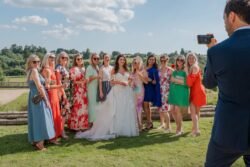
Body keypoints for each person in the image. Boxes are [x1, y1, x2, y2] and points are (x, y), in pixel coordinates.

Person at [203, 0, 250, 166]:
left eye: (224, 19)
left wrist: (211, 50)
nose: (224, 24)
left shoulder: (217, 51)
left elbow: (208, 83)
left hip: (227, 133)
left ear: (232, 16)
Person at [75, 54, 139, 140]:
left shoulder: (127, 70)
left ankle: (124, 129)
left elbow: (129, 80)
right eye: (120, 59)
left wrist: (129, 82)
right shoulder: (114, 70)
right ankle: (116, 129)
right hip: (117, 92)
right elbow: (111, 82)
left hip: (126, 92)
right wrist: (121, 83)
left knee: (125, 110)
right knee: (116, 110)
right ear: (117, 61)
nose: (122, 61)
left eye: (123, 60)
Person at [26, 54, 55, 151]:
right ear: (30, 63)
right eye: (34, 62)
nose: (37, 63)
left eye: (38, 61)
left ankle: (36, 140)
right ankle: (40, 143)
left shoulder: (31, 71)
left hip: (33, 97)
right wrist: (46, 100)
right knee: (41, 119)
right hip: (39, 97)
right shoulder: (34, 71)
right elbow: (39, 86)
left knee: (36, 119)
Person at [41, 53, 64, 144]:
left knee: (55, 114)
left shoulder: (51, 69)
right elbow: (47, 86)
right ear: (46, 59)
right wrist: (60, 85)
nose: (53, 59)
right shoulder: (47, 70)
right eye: (50, 58)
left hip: (54, 94)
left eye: (54, 58)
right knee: (52, 115)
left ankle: (53, 135)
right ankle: (52, 137)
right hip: (50, 94)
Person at [185, 52, 206, 137]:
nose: (190, 59)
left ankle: (196, 130)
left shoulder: (194, 67)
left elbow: (189, 83)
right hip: (197, 91)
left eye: (192, 58)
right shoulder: (194, 67)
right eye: (189, 58)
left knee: (193, 112)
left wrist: (186, 74)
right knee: (196, 112)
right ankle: (195, 128)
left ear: (195, 59)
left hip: (197, 92)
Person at [168, 55, 189, 136]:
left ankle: (178, 130)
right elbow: (171, 80)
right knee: (172, 111)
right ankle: (180, 127)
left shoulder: (185, 70)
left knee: (177, 110)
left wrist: (176, 80)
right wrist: (179, 81)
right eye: (178, 60)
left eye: (181, 60)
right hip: (173, 92)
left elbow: (186, 82)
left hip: (181, 93)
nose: (179, 61)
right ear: (176, 61)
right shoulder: (175, 71)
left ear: (184, 61)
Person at [68, 54, 89, 131]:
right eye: (78, 59)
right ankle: (75, 126)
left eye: (81, 59)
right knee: (77, 107)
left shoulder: (84, 69)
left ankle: (83, 125)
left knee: (84, 107)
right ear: (75, 60)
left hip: (84, 90)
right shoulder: (73, 69)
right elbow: (73, 82)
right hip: (77, 91)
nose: (80, 60)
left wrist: (86, 81)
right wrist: (82, 82)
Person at [143, 54, 162, 130]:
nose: (151, 61)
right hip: (142, 87)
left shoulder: (155, 70)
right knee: (144, 106)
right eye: (150, 59)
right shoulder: (144, 68)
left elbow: (156, 81)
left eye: (153, 59)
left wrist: (152, 81)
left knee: (147, 105)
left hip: (149, 88)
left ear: (155, 61)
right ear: (147, 60)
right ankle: (149, 121)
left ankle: (149, 123)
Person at [55, 51, 71, 139]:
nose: (64, 59)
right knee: (63, 113)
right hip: (62, 92)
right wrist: (64, 94)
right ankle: (61, 132)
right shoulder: (58, 68)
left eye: (66, 58)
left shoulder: (64, 68)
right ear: (59, 58)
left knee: (64, 112)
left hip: (67, 92)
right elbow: (59, 82)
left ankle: (61, 130)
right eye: (62, 57)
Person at [130, 56, 148, 132]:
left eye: (136, 63)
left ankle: (140, 125)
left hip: (140, 90)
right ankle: (135, 124)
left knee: (139, 108)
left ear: (139, 63)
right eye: (133, 63)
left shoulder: (143, 71)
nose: (134, 64)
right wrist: (131, 83)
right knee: (133, 107)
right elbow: (129, 82)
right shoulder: (131, 72)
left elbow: (146, 82)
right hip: (133, 91)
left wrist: (139, 74)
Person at [158, 54, 172, 133]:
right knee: (161, 109)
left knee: (165, 110)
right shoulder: (159, 70)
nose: (163, 62)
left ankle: (168, 127)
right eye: (162, 60)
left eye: (165, 60)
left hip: (166, 92)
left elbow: (174, 80)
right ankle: (163, 124)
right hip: (159, 92)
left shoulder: (170, 70)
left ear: (167, 60)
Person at [86, 53, 100, 127]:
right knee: (92, 105)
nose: (96, 60)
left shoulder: (97, 67)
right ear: (91, 59)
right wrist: (96, 76)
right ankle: (90, 123)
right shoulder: (89, 67)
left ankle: (95, 122)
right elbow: (88, 80)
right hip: (91, 88)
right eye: (95, 58)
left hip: (96, 88)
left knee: (96, 105)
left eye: (98, 58)